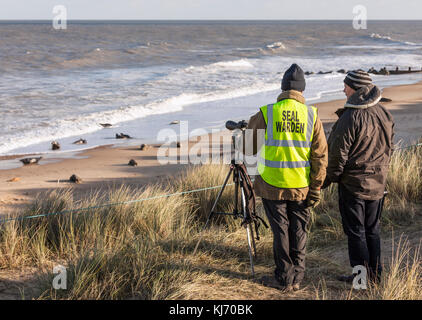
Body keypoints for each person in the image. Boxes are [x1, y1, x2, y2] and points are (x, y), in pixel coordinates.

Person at [243, 63, 328, 292]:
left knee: (280, 230)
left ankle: (283, 278)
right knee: (298, 229)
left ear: (282, 88)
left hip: (272, 184)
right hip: (301, 185)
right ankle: (297, 278)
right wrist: (316, 187)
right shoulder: (311, 115)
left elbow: (247, 147)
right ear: (302, 90)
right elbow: (320, 156)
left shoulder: (267, 112)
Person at [323, 70, 394, 284]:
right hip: (378, 183)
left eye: (345, 86)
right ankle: (375, 276)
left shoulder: (350, 116)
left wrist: (327, 180)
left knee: (357, 232)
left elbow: (337, 156)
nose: (343, 90)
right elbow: (389, 147)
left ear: (355, 88)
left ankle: (361, 281)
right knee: (372, 230)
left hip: (354, 185)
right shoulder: (384, 113)